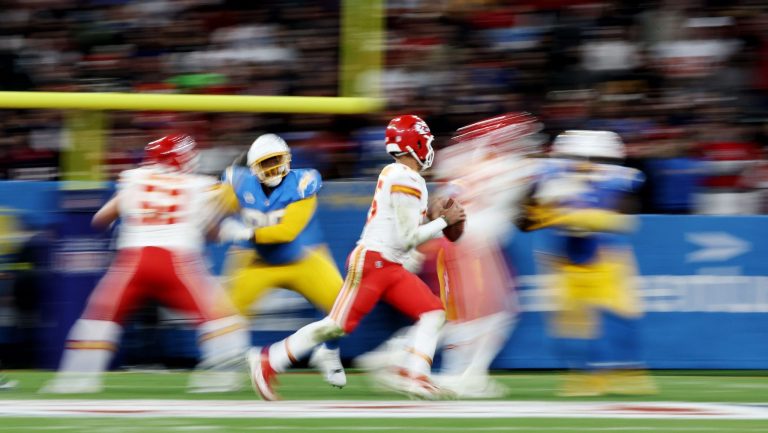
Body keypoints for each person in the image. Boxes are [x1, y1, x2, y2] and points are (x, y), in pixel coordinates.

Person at [246, 115, 466, 401]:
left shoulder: (402, 175)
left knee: (433, 313)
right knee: (334, 326)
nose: (429, 148)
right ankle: (268, 360)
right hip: (374, 263)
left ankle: (415, 374)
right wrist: (443, 222)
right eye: (425, 142)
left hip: (390, 264)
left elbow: (404, 236)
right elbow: (408, 237)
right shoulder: (405, 178)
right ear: (415, 143)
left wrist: (435, 223)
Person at [42, 134, 250, 394]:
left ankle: (74, 380)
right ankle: (221, 377)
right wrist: (230, 232)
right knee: (220, 317)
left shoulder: (135, 178)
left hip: (133, 259)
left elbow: (101, 218)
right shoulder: (199, 185)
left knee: (99, 318)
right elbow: (211, 231)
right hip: (176, 259)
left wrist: (132, 218)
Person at [358, 113, 543, 398]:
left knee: (463, 315)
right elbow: (529, 211)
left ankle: (400, 356)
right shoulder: (515, 168)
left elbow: (439, 202)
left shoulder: (457, 159)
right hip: (473, 245)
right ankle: (452, 372)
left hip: (446, 242)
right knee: (486, 315)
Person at [520, 130, 656, 396]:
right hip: (566, 260)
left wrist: (588, 217)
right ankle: (587, 375)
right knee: (573, 324)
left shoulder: (617, 179)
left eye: (595, 159)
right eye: (579, 158)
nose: (587, 164)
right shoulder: (548, 176)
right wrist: (549, 213)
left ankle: (628, 371)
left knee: (622, 315)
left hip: (606, 257)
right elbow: (524, 222)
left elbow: (627, 219)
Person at [214, 133, 346, 388]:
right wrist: (216, 211)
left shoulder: (303, 182)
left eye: (277, 159)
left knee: (342, 307)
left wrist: (244, 232)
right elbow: (214, 203)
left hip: (301, 257)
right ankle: (226, 367)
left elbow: (287, 232)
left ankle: (329, 353)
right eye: (266, 162)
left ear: (287, 158)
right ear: (253, 167)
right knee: (226, 316)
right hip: (257, 262)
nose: (274, 167)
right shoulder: (238, 181)